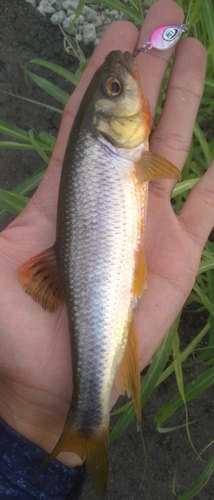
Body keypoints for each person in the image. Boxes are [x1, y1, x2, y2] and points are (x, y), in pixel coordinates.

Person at [0, 0, 213, 498]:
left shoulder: (128, 152)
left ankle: (81, 425)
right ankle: (85, 423)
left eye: (113, 87)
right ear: (105, 118)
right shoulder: (131, 156)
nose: (123, 86)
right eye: (115, 89)